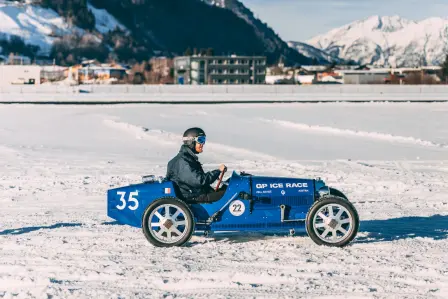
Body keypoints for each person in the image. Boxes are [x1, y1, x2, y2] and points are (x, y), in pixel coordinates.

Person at [166, 127, 227, 203]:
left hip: (195, 193)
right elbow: (200, 181)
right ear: (191, 141)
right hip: (193, 197)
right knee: (229, 194)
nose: (203, 144)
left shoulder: (187, 159)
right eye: (200, 140)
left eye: (204, 140)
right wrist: (218, 171)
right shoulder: (182, 162)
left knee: (228, 187)